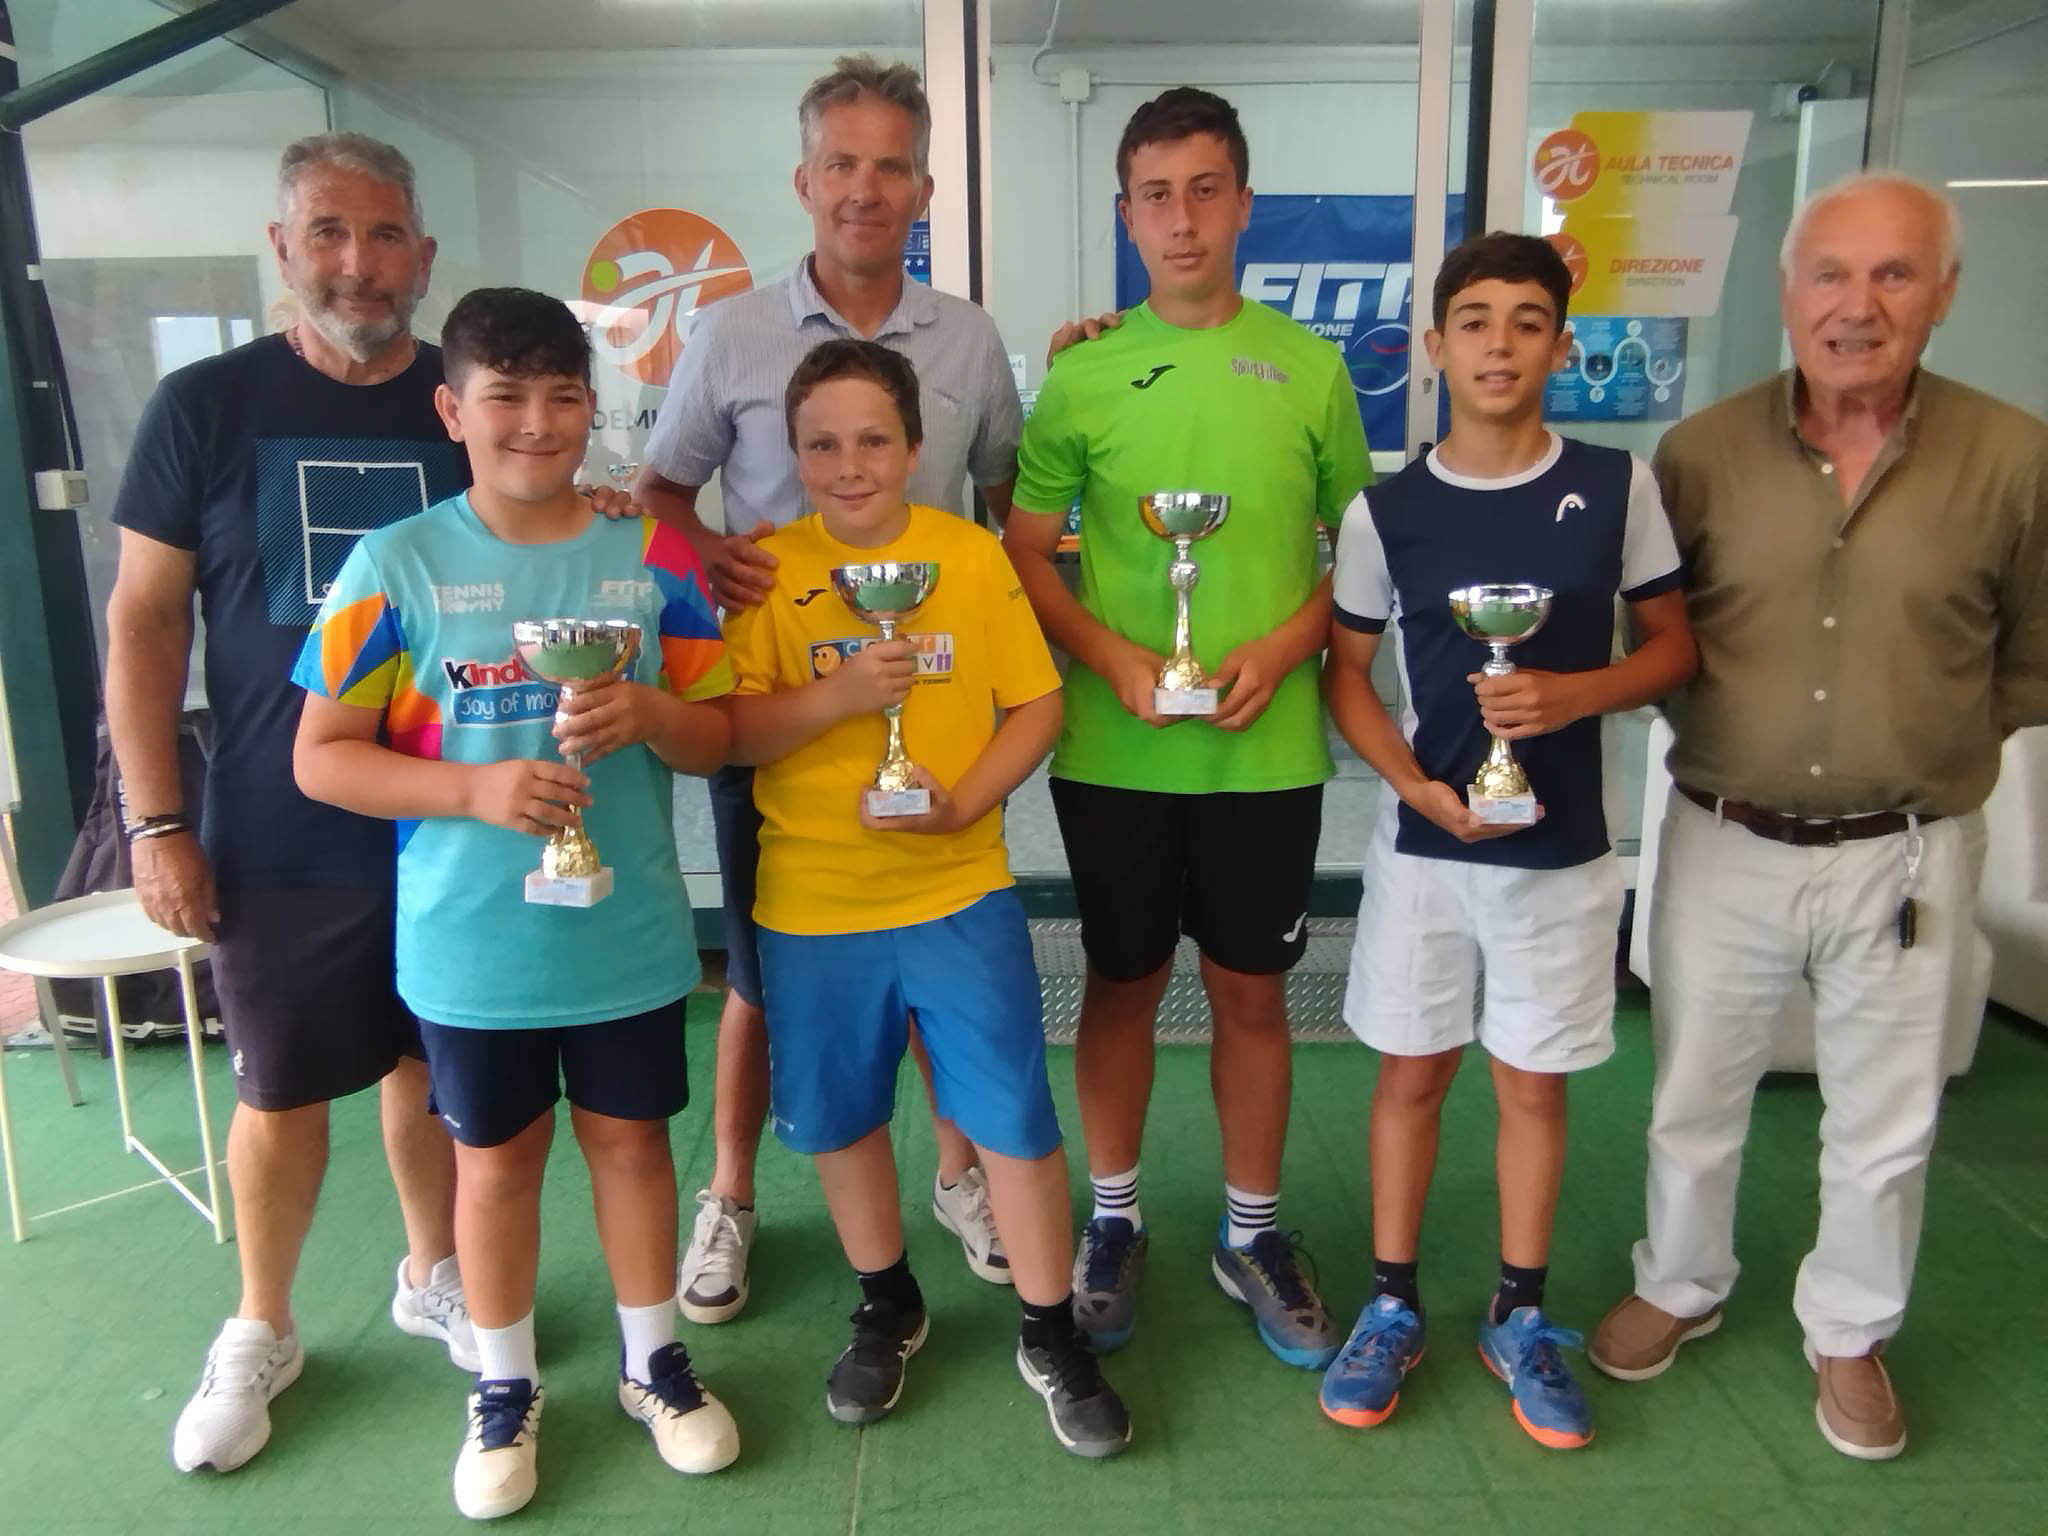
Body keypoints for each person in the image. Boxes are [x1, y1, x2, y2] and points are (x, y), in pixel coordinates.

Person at [1589, 172, 2048, 1461]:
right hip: (1722, 833)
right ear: (1787, 292)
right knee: (1691, 1088)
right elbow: (1651, 636)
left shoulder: (2013, 459)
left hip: (1909, 851)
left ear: (1942, 293)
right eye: (1829, 274)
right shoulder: (1698, 455)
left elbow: (2030, 657)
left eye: (1892, 274)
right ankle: (1679, 1281)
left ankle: (1848, 1330)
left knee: (1885, 1118)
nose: (1857, 305)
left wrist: (1924, 744)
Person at [293, 288, 740, 1518]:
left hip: (626, 933)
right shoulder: (393, 564)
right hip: (471, 951)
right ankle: (503, 1385)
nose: (535, 423)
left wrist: (653, 714)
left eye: (560, 397)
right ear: (453, 410)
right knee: (493, 1165)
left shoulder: (652, 556)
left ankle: (654, 1362)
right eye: (504, 397)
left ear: (592, 408)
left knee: (633, 1146)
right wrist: (472, 789)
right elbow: (320, 757)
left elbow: (716, 736)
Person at [104, 132, 477, 1474]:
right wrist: (157, 821)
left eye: (383, 236)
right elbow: (144, 622)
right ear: (283, 247)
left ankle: (435, 1273)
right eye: (328, 232)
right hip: (275, 827)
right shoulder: (202, 408)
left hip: (447, 819)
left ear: (423, 256)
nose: (357, 264)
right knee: (280, 1092)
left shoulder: (465, 403)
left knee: (431, 1069)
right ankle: (261, 1323)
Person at [631, 54, 1026, 1317]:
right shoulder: (731, 334)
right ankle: (731, 1195)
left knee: (938, 951)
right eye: (840, 163)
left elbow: (1005, 497)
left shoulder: (967, 337)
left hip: (930, 705)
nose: (865, 187)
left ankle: (960, 1176)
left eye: (890, 166)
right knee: (764, 971)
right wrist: (708, 560)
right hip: (781, 709)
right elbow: (658, 494)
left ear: (922, 189)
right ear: (804, 182)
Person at [1003, 87, 1371, 1370]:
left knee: (1250, 991)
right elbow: (1024, 549)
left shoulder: (1312, 368)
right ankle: (1112, 1221)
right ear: (1125, 215)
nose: (1180, 218)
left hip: (1265, 753)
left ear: (1244, 205)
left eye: (1204, 190)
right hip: (1118, 751)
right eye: (1155, 195)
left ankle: (1250, 1233)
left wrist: (1290, 642)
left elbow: (1363, 553)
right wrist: (1109, 655)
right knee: (1121, 983)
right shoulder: (1082, 372)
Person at [1319, 232, 1696, 1449]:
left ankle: (1517, 1314)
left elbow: (1673, 650)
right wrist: (1410, 787)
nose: (1498, 344)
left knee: (1531, 1086)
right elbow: (1345, 677)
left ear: (1560, 346)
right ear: (1434, 346)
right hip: (1426, 852)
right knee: (1411, 1075)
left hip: (1561, 855)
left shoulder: (1617, 486)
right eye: (1473, 321)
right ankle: (1389, 1304)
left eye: (1526, 321)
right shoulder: (1385, 510)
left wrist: (1576, 694)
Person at [721, 337, 1128, 1458]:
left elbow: (1037, 706)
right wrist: (839, 694)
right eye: (821, 445)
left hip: (958, 891)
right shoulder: (766, 573)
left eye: (872, 441)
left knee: (1012, 1120)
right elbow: (733, 732)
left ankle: (1048, 1329)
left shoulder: (970, 557)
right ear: (792, 454)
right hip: (814, 906)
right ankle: (886, 1301)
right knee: (843, 1117)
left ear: (913, 448)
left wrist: (962, 808)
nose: (848, 465)